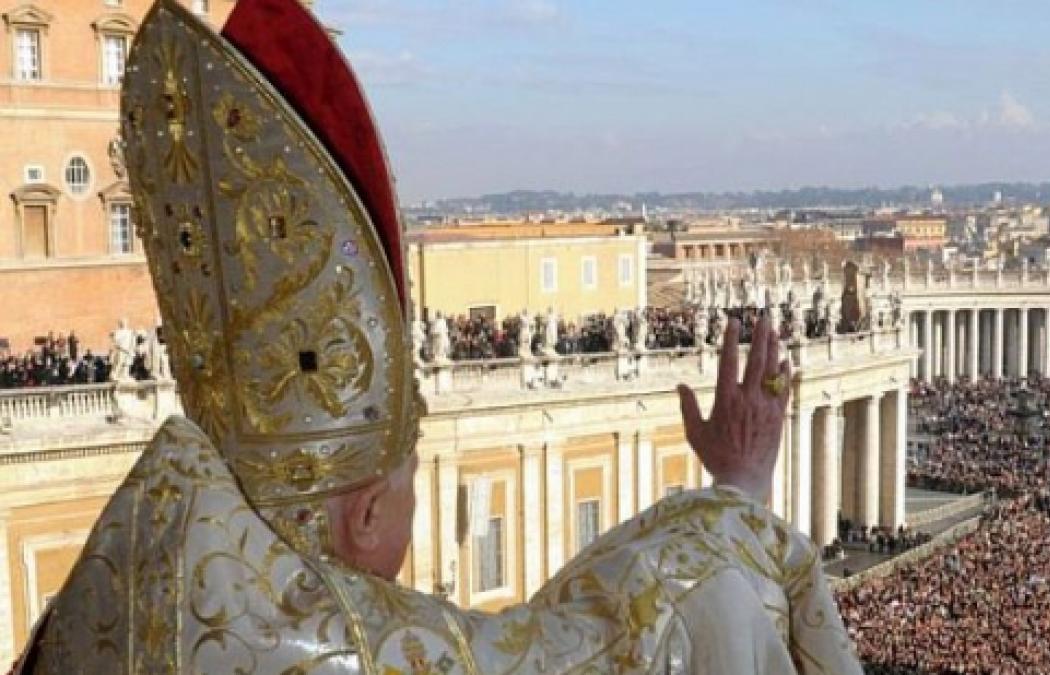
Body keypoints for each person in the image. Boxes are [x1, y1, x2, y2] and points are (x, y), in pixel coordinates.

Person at [13, 1, 862, 673]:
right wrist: (740, 489)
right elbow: (621, 639)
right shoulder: (357, 650)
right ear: (371, 511)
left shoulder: (116, 592)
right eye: (407, 484)